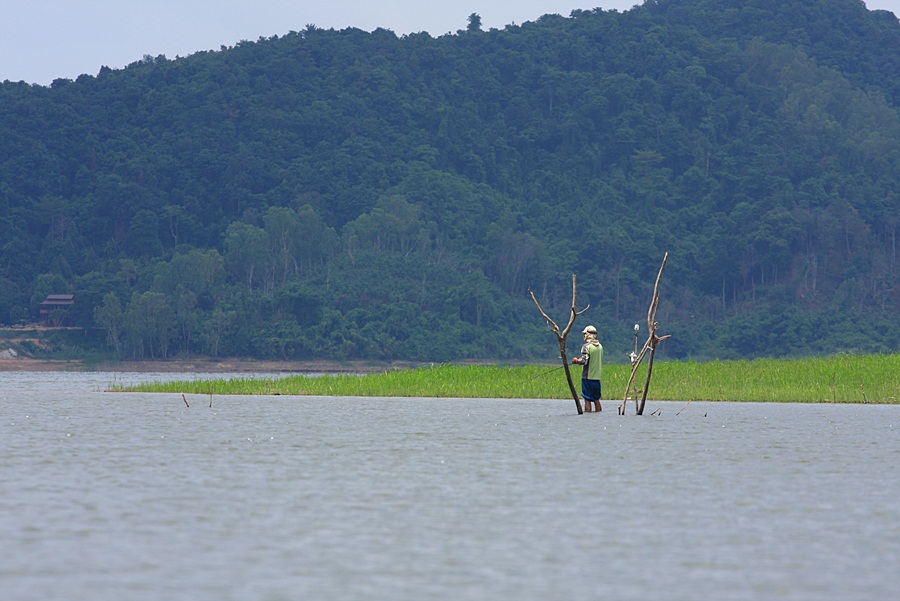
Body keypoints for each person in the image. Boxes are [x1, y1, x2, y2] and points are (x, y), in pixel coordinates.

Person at [571, 325, 603, 412]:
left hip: (587, 378)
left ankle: (587, 416)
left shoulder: (586, 346)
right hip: (597, 378)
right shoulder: (600, 346)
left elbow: (584, 361)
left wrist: (576, 361)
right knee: (596, 400)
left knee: (587, 400)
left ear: (588, 334)